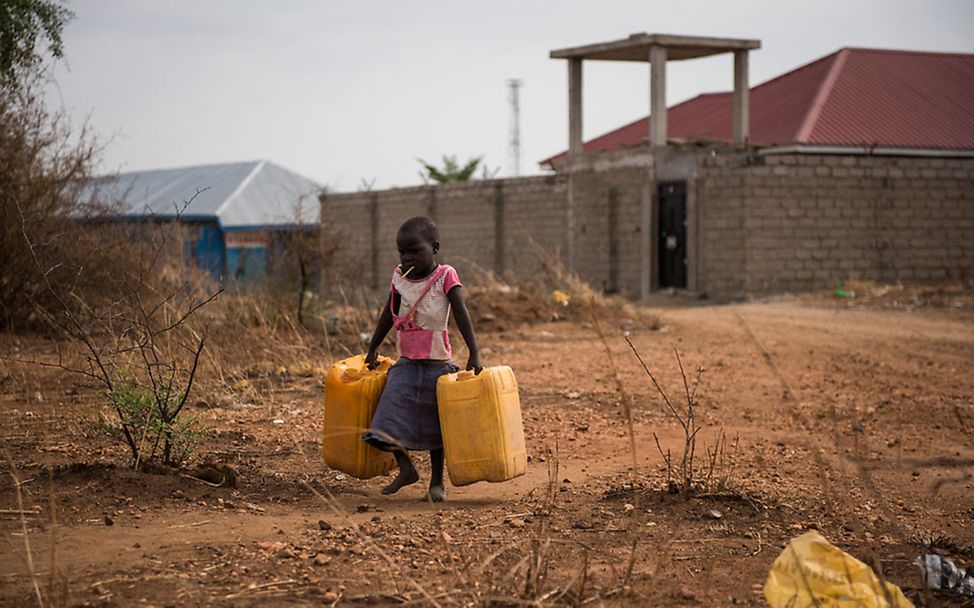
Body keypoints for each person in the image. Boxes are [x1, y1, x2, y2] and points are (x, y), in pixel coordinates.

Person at [363, 216, 482, 502]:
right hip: (406, 364)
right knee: (385, 418)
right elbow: (387, 314)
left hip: (437, 364)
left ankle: (437, 483)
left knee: (435, 426)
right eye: (402, 252)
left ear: (435, 248)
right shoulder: (399, 278)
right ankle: (406, 469)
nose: (407, 257)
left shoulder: (445, 276)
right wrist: (374, 345)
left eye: (415, 251)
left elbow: (462, 315)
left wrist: (475, 351)